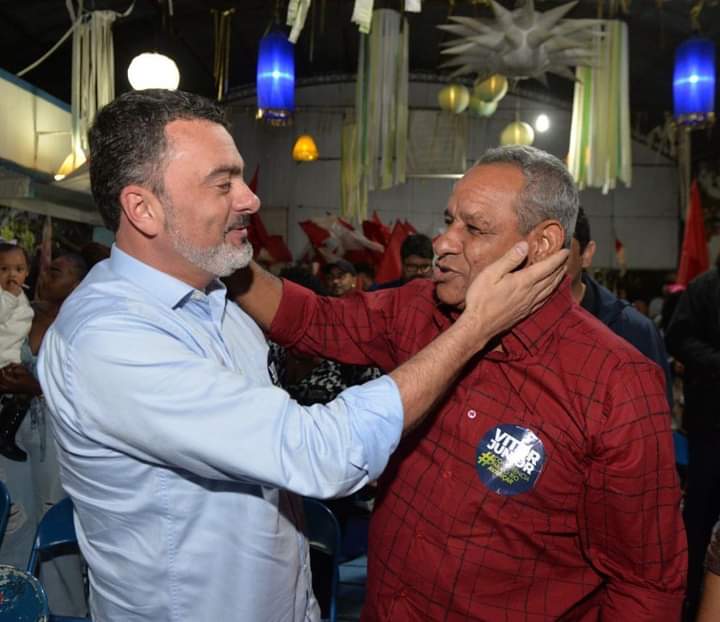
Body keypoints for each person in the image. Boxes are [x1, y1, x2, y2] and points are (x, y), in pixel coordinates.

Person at [37, 89, 567, 622]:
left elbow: (312, 328)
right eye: (223, 183)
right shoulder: (107, 340)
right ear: (143, 208)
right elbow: (318, 453)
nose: (250, 199)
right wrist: (476, 327)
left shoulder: (219, 299)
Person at [233, 145, 687, 621]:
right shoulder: (417, 310)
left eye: (474, 229)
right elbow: (311, 319)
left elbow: (645, 584)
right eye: (449, 221)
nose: (443, 242)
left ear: (543, 243)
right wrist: (222, 253)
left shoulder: (616, 383)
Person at [0, 252, 88, 616]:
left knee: (54, 522)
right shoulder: (22, 312)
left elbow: (89, 390)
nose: (45, 275)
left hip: (57, 436)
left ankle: (66, 611)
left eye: (57, 271)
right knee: (14, 518)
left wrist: (36, 386)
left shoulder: (81, 325)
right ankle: (12, 603)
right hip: (14, 433)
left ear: (78, 283)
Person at [567, 206, 673, 408]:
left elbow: (654, 414)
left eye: (561, 246)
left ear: (586, 254)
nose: (544, 256)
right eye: (537, 244)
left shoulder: (632, 330)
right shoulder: (510, 322)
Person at [666, 266, 720, 620]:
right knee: (701, 514)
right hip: (711, 423)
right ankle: (687, 595)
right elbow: (678, 339)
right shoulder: (704, 288)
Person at [0, 243, 34, 461]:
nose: (12, 275)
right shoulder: (6, 295)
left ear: (27, 272)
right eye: (4, 269)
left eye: (18, 269)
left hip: (10, 358)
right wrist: (10, 296)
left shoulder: (22, 295)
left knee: (22, 395)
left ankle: (5, 434)